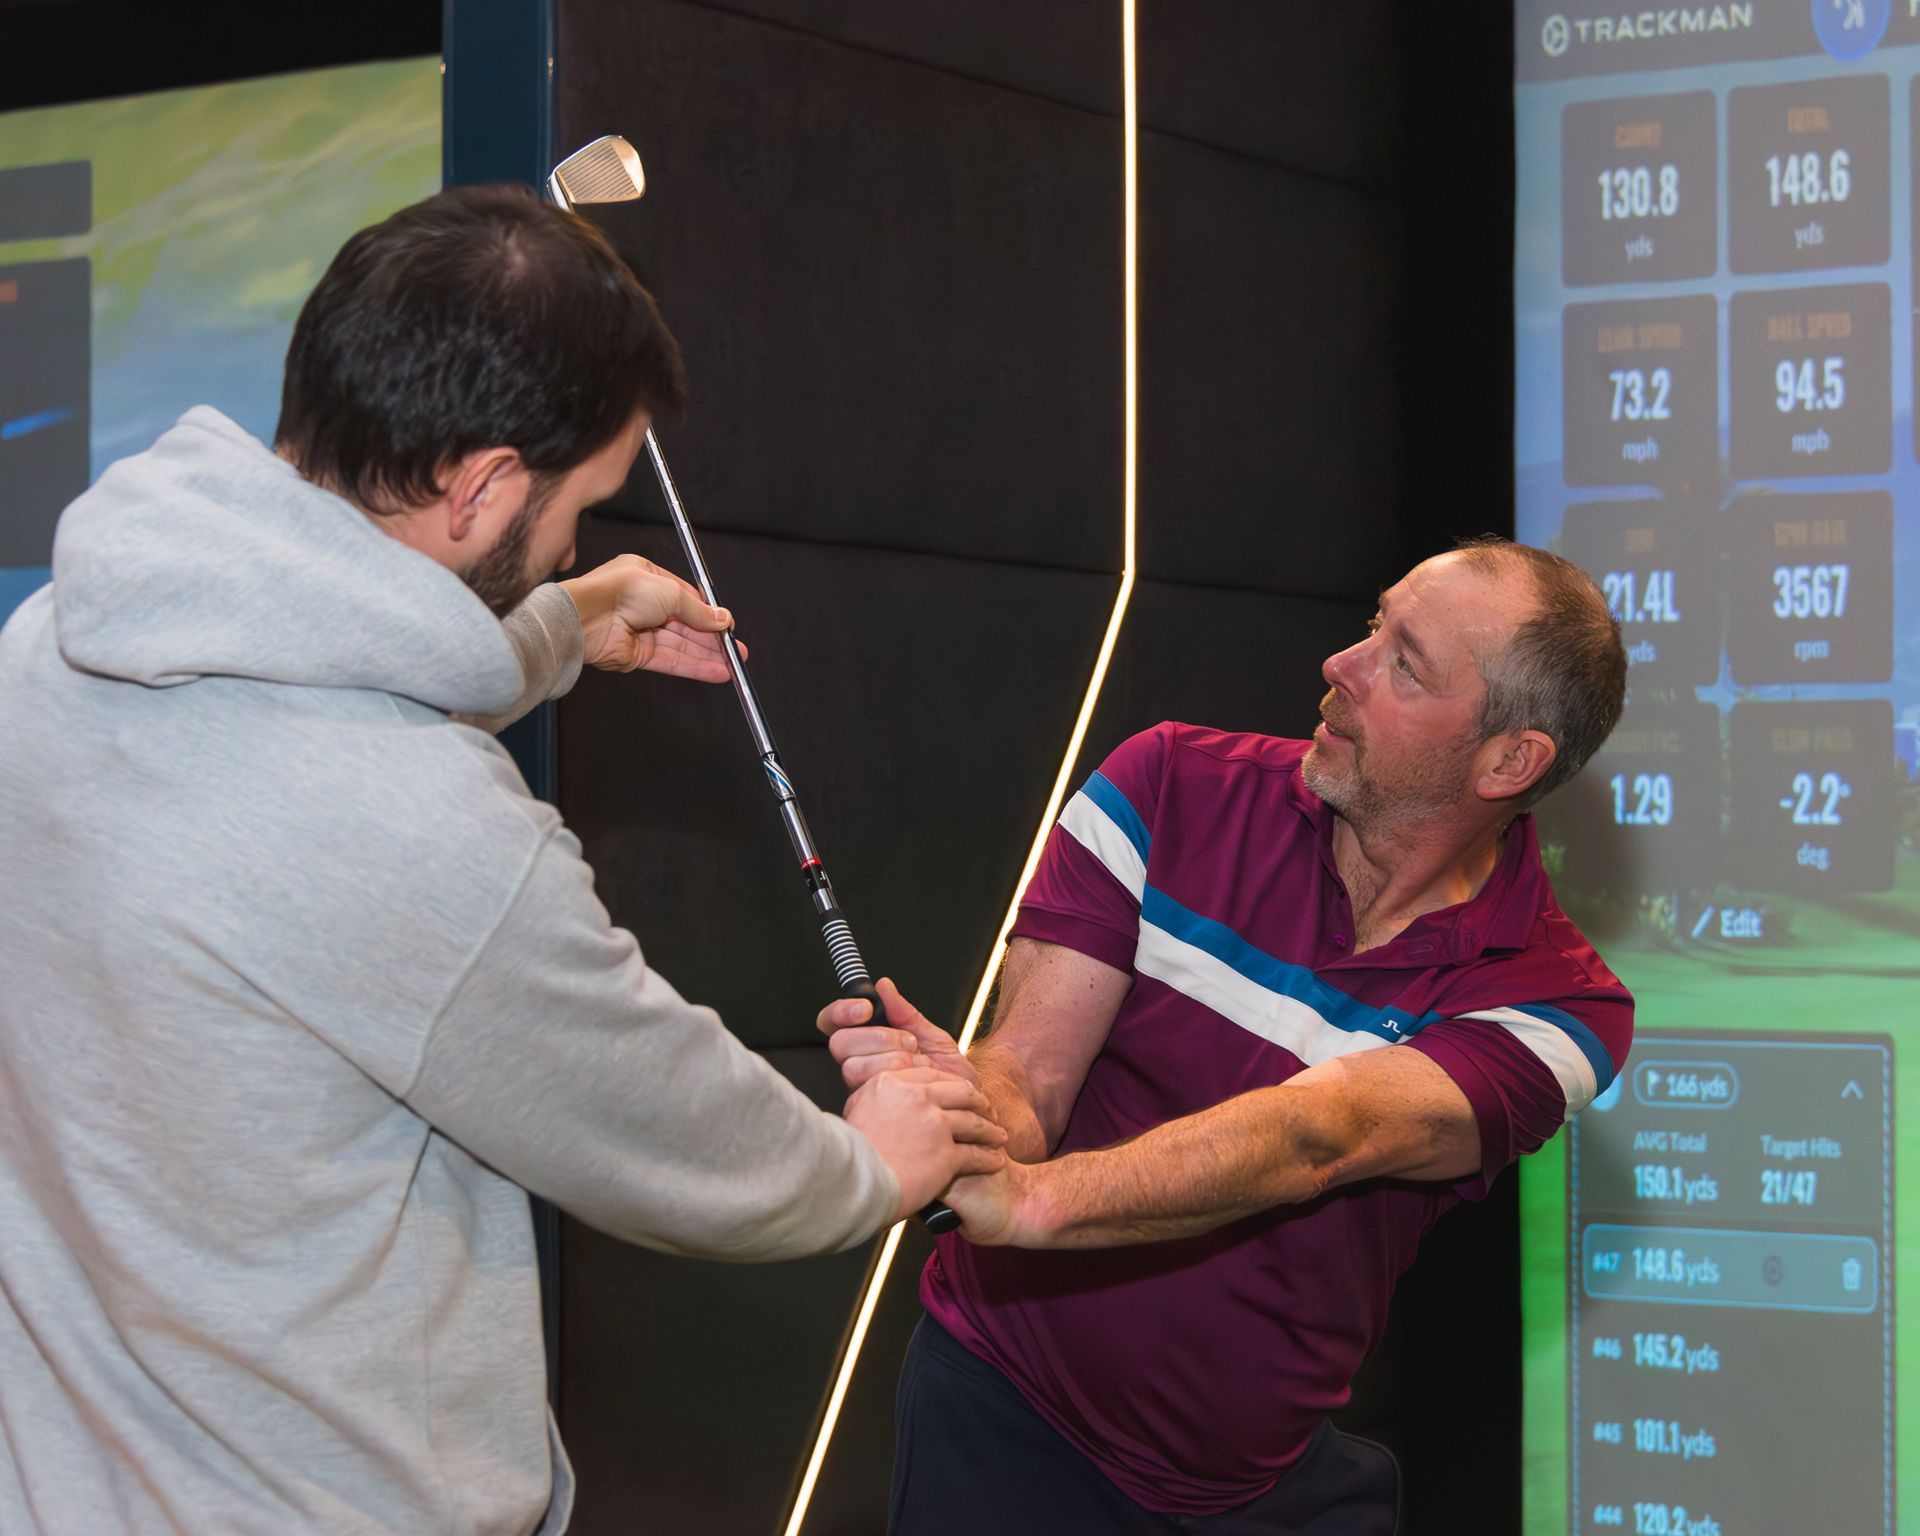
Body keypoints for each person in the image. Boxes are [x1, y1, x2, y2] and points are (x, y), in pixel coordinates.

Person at [0, 184, 1003, 1535]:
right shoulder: (432, 839)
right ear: (479, 487)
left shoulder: (53, 644)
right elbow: (650, 1113)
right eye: (581, 507)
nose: (582, 546)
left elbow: (310, 690)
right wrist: (868, 1164)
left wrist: (553, 627)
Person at [823, 539, 1633, 1534]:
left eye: (1404, 662)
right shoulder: (1165, 784)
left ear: (1510, 760)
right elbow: (1028, 1075)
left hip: (1248, 1492)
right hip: (1000, 1410)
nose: (1343, 664)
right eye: (1375, 625)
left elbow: (1323, 1131)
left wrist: (1032, 1202)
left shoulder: (1560, 1009)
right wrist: (958, 1115)